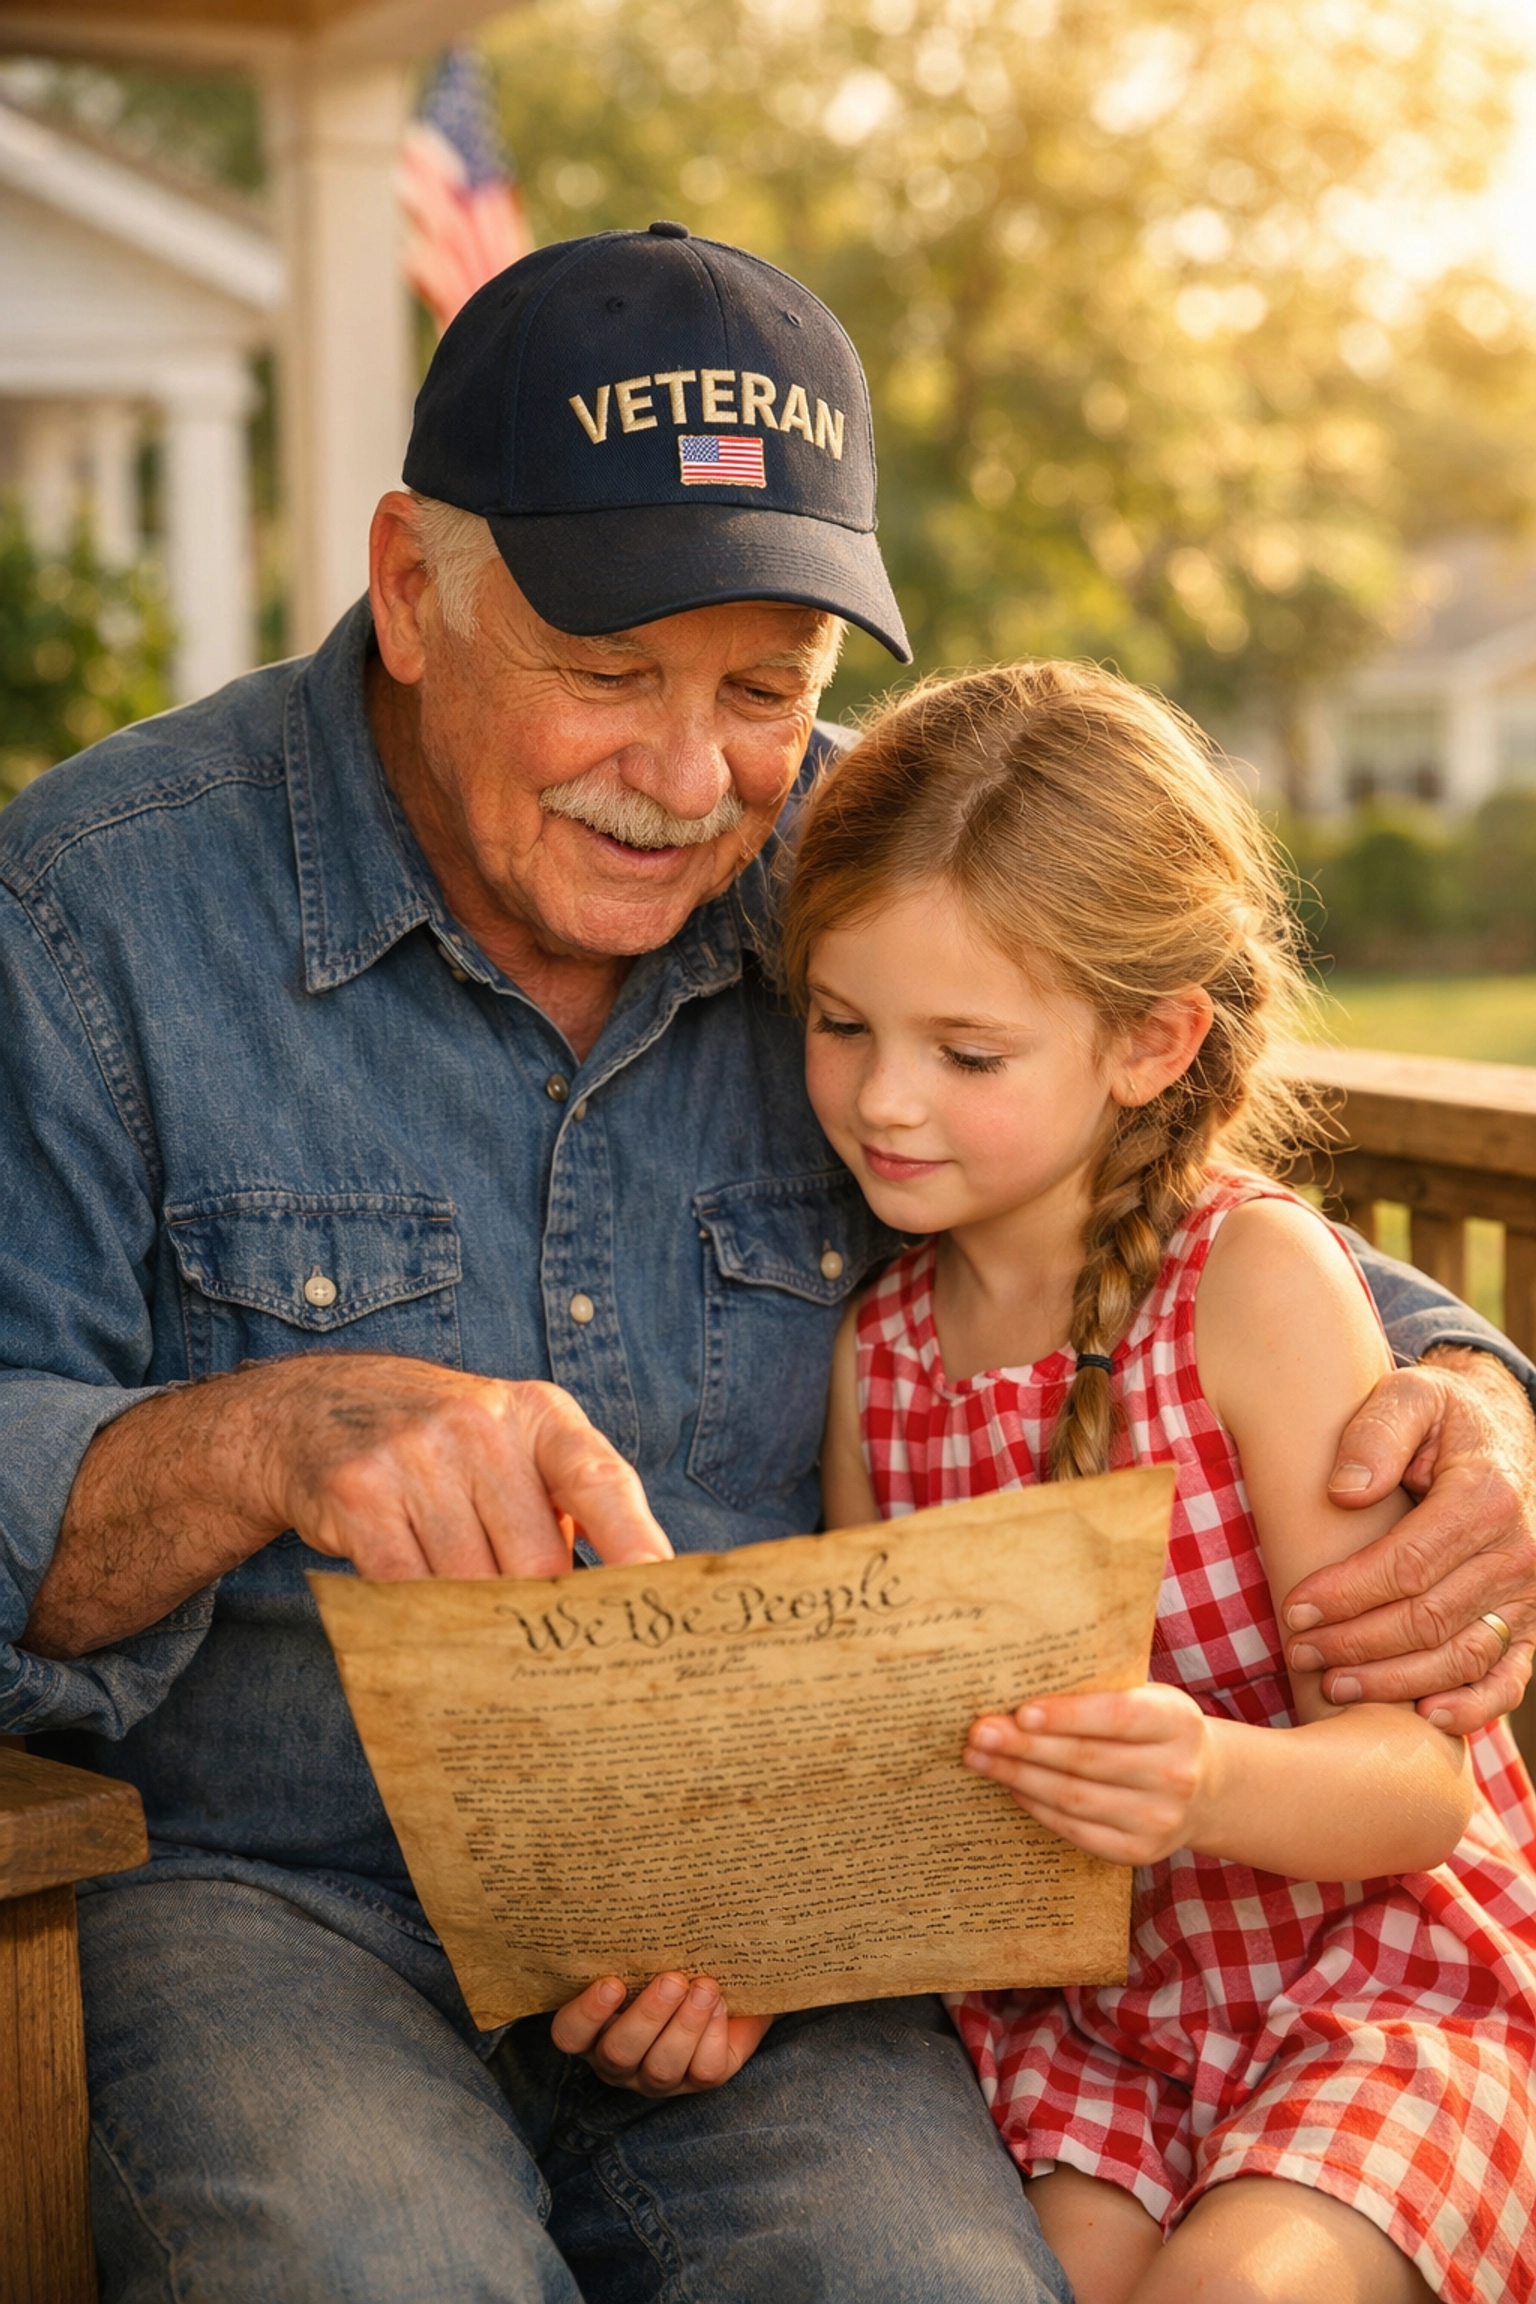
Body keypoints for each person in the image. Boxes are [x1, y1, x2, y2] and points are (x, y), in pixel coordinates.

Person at [0, 227, 1529, 2297]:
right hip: (278, 1893)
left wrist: (1473, 1394)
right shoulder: (93, 917)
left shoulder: (855, 868)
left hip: (792, 1915)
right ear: (412, 588)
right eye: (611, 674)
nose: (690, 773)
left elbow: (1174, 1205)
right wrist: (275, 1437)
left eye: (764, 690)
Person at [793, 661, 1536, 2304]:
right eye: (841, 1025)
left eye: (967, 1053)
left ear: (1150, 1041)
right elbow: (890, 1778)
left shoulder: (1252, 1287)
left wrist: (1199, 1779)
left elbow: (1422, 1788)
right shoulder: (879, 1359)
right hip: (1090, 2040)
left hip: (1373, 1987)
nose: (884, 1098)